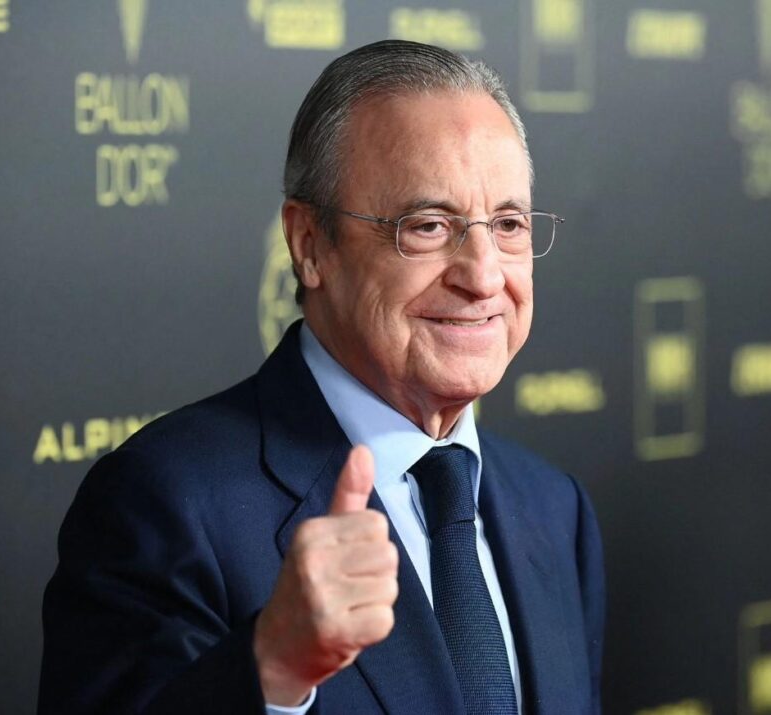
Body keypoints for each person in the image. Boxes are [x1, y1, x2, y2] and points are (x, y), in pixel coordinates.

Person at [39, 40, 604, 714]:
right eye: (428, 226)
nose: (483, 276)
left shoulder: (554, 509)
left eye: (508, 224)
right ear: (310, 245)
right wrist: (272, 670)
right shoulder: (167, 501)